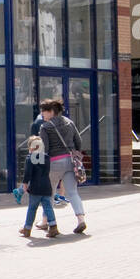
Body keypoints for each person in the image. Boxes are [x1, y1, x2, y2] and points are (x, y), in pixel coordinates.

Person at [39, 100, 87, 233]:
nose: (42, 114)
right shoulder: (69, 122)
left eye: (44, 111)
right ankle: (81, 219)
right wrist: (74, 153)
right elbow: (79, 140)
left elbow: (45, 149)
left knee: (49, 193)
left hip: (54, 163)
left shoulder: (45, 127)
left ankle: (45, 222)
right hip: (70, 161)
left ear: (51, 112)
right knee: (72, 192)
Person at [19, 135, 59, 238]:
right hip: (46, 187)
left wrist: (24, 184)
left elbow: (28, 173)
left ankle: (27, 229)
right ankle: (53, 227)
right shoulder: (46, 158)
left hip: (35, 188)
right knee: (48, 207)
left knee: (32, 208)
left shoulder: (30, 158)